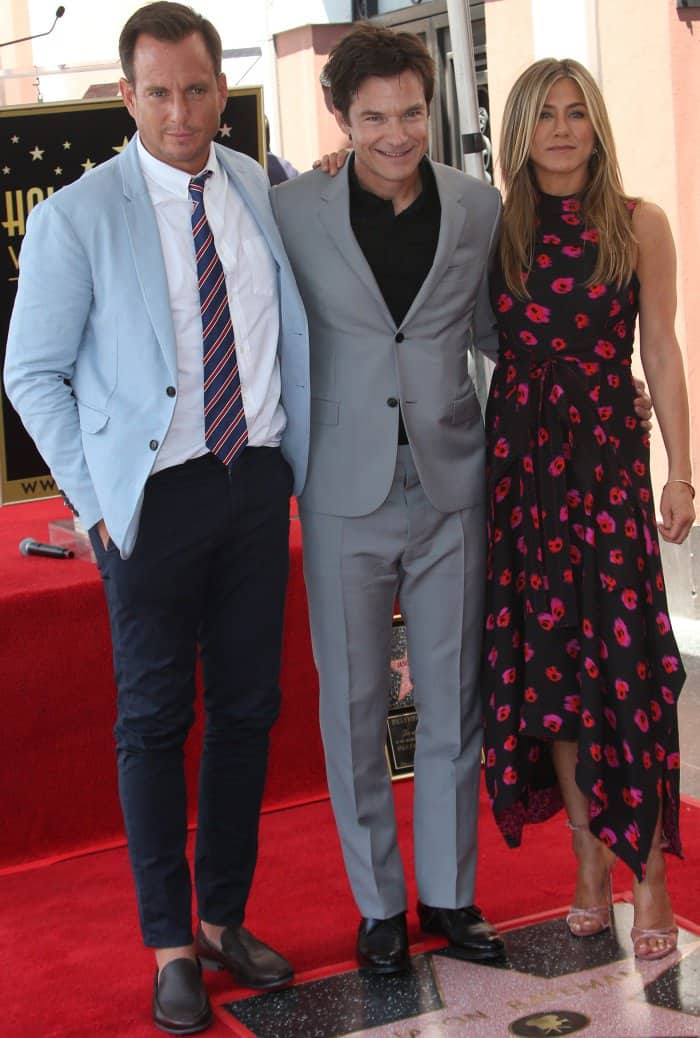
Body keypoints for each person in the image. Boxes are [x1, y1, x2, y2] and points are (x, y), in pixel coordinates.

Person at [4, 2, 309, 1033]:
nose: (181, 111)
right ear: (126, 95)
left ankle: (223, 918)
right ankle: (170, 945)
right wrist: (94, 507)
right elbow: (30, 373)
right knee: (153, 720)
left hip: (256, 482)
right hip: (149, 502)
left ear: (222, 90)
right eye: (159, 91)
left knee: (249, 709)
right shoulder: (75, 216)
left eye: (197, 88)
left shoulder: (264, 193)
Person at [271, 23, 506, 974]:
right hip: (342, 489)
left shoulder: (477, 206)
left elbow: (498, 328)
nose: (398, 133)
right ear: (342, 118)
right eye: (374, 118)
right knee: (356, 707)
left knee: (456, 702)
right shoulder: (292, 212)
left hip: (454, 480)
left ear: (432, 105)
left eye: (412, 112)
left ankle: (450, 896)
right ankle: (377, 907)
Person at [482, 57, 694, 962]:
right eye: (544, 115)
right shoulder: (491, 229)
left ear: (597, 125)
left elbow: (663, 348)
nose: (562, 129)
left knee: (626, 675)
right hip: (522, 480)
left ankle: (645, 873)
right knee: (553, 684)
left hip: (606, 471)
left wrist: (682, 469)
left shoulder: (640, 224)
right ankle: (585, 869)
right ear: (519, 129)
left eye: (577, 113)